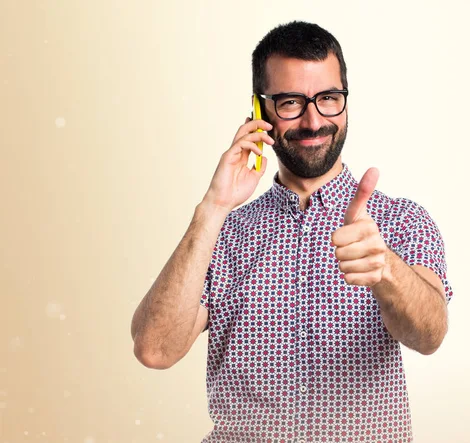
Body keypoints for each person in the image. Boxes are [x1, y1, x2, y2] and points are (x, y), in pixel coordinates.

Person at [131, 21, 453, 443]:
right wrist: (213, 208)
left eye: (328, 98)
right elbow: (154, 349)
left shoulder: (400, 221)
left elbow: (430, 336)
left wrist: (386, 270)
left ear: (346, 103)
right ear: (260, 111)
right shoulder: (223, 234)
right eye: (290, 103)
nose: (313, 120)